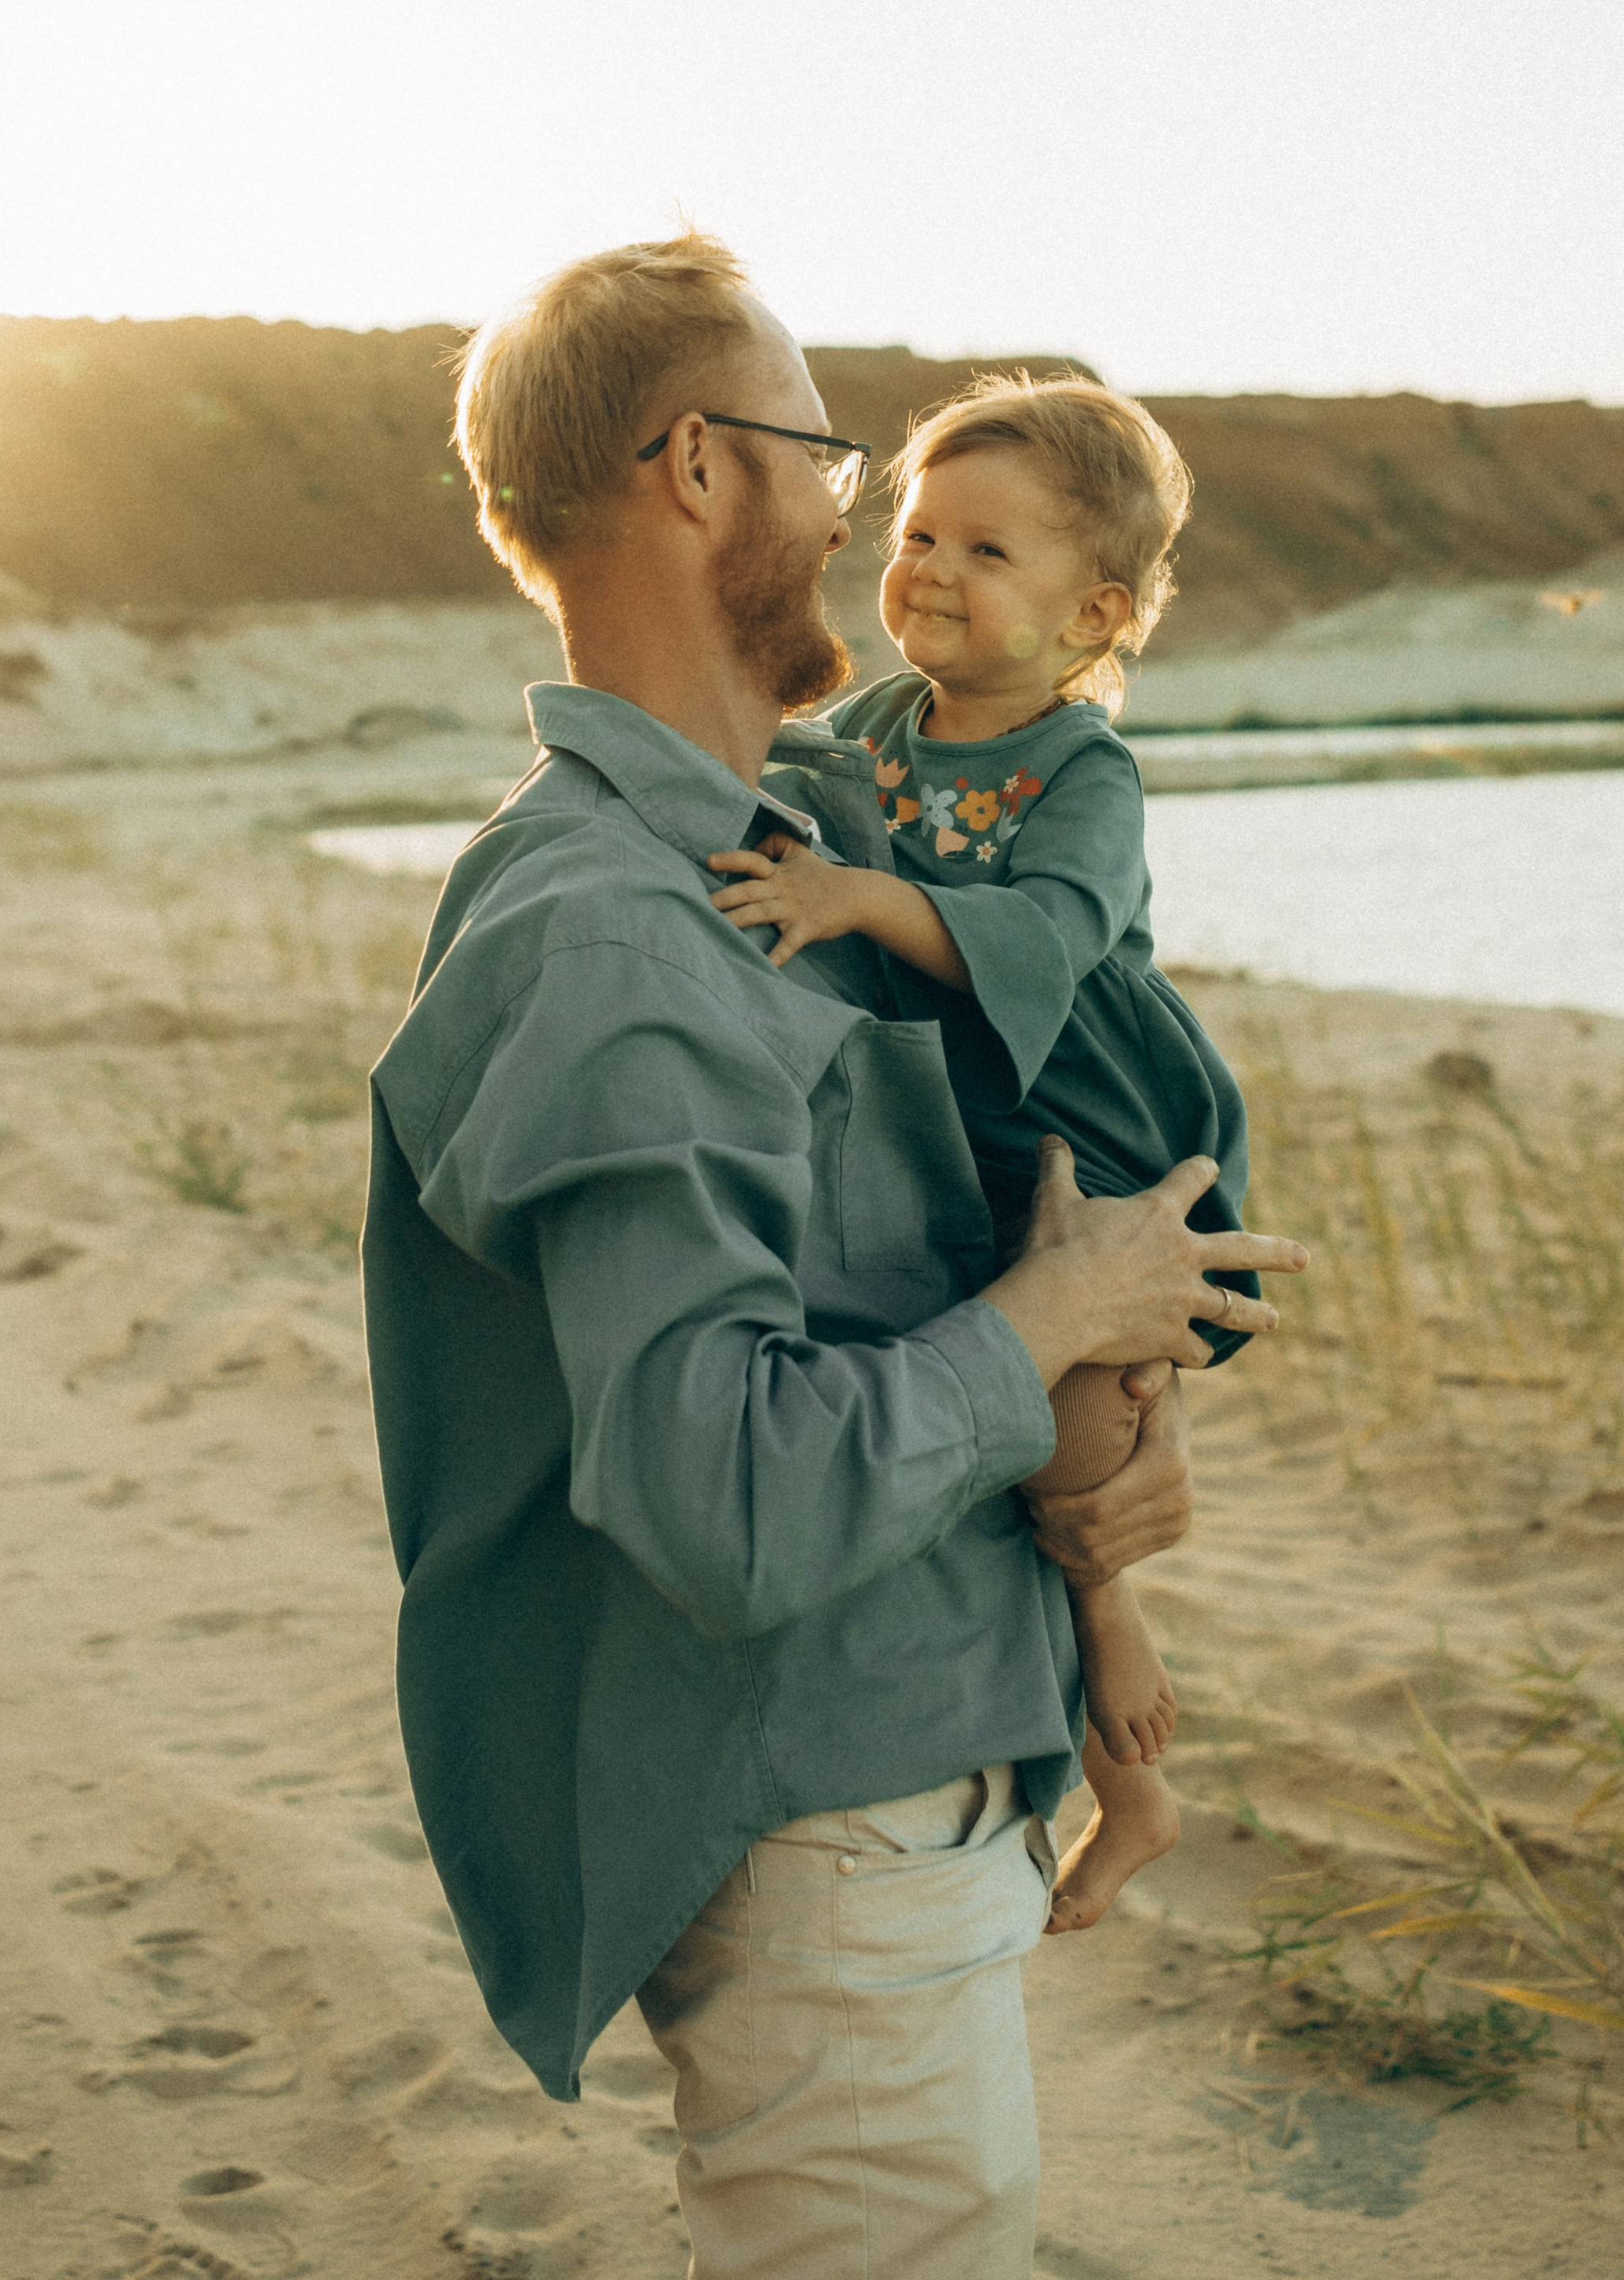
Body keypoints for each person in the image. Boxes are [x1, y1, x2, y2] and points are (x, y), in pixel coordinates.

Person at [360, 232, 1301, 2279]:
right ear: (703, 471)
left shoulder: (778, 841)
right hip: (828, 1813)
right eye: (835, 460)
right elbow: (726, 1495)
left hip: (907, 1756)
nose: (866, 522)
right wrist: (1064, 1314)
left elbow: (957, 1224)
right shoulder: (612, 923)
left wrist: (1102, 1423)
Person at [706, 371, 1249, 1939]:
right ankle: (1103, 1709)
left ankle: (1123, 1718)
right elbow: (769, 772)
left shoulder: (1084, 771)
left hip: (1080, 1097)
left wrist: (852, 903)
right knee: (1019, 1369)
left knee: (1073, 1366)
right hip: (959, 1092)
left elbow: (1056, 929)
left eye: (984, 552)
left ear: (1091, 616)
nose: (929, 569)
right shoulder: (869, 728)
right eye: (918, 531)